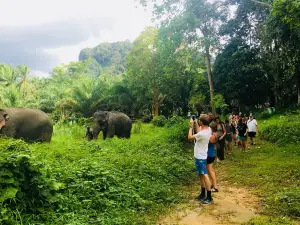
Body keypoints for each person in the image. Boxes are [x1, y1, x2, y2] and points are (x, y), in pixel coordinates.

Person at [188, 114, 213, 204]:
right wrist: (195, 123)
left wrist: (191, 126)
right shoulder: (208, 130)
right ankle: (203, 194)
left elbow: (190, 137)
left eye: (199, 121)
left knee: (205, 175)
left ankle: (209, 197)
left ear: (201, 122)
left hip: (200, 158)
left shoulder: (202, 133)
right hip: (201, 156)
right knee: (201, 175)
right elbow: (199, 131)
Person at [207, 122, 218, 192]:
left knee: (210, 171)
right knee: (210, 171)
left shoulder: (212, 136)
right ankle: (213, 185)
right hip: (211, 154)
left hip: (209, 155)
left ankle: (215, 186)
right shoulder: (214, 134)